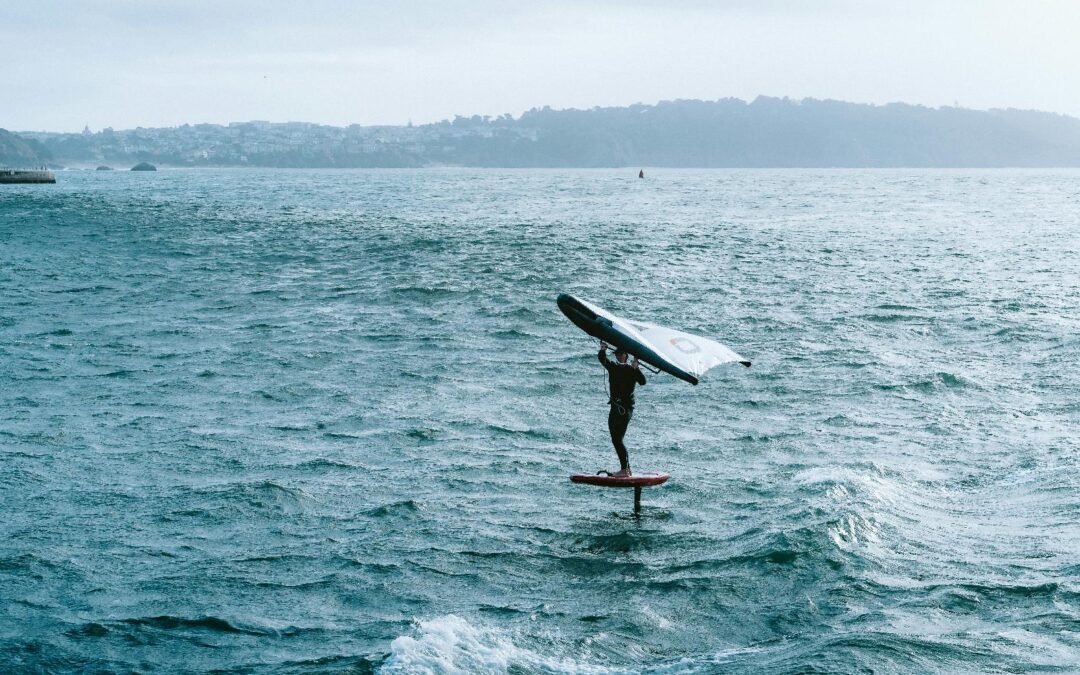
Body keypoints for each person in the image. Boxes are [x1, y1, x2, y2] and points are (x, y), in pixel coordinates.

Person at [598, 342, 646, 476]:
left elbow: (643, 381)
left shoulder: (632, 370)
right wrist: (602, 350)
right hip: (614, 408)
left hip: (625, 409)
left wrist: (637, 368)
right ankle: (626, 469)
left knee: (618, 439)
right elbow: (603, 360)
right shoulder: (613, 367)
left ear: (626, 355)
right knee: (615, 439)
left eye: (621, 354)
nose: (619, 357)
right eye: (617, 354)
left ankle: (625, 470)